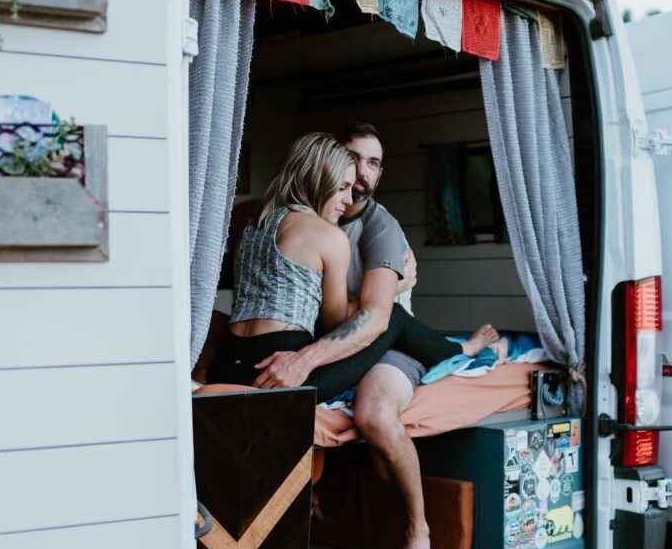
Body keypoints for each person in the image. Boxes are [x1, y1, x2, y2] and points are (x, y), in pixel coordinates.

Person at [255, 123, 500, 549]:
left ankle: (418, 535)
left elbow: (375, 319)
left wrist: (303, 359)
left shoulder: (379, 228)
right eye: (352, 161)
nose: (359, 175)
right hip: (344, 341)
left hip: (391, 341)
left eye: (371, 164)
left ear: (380, 172)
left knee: (374, 413)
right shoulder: (315, 222)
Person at [208, 132, 499, 411]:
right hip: (278, 367)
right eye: (342, 187)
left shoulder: (254, 224)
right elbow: (333, 322)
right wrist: (390, 292)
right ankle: (464, 351)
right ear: (319, 180)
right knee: (393, 317)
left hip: (230, 361)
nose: (348, 200)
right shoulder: (329, 236)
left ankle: (460, 348)